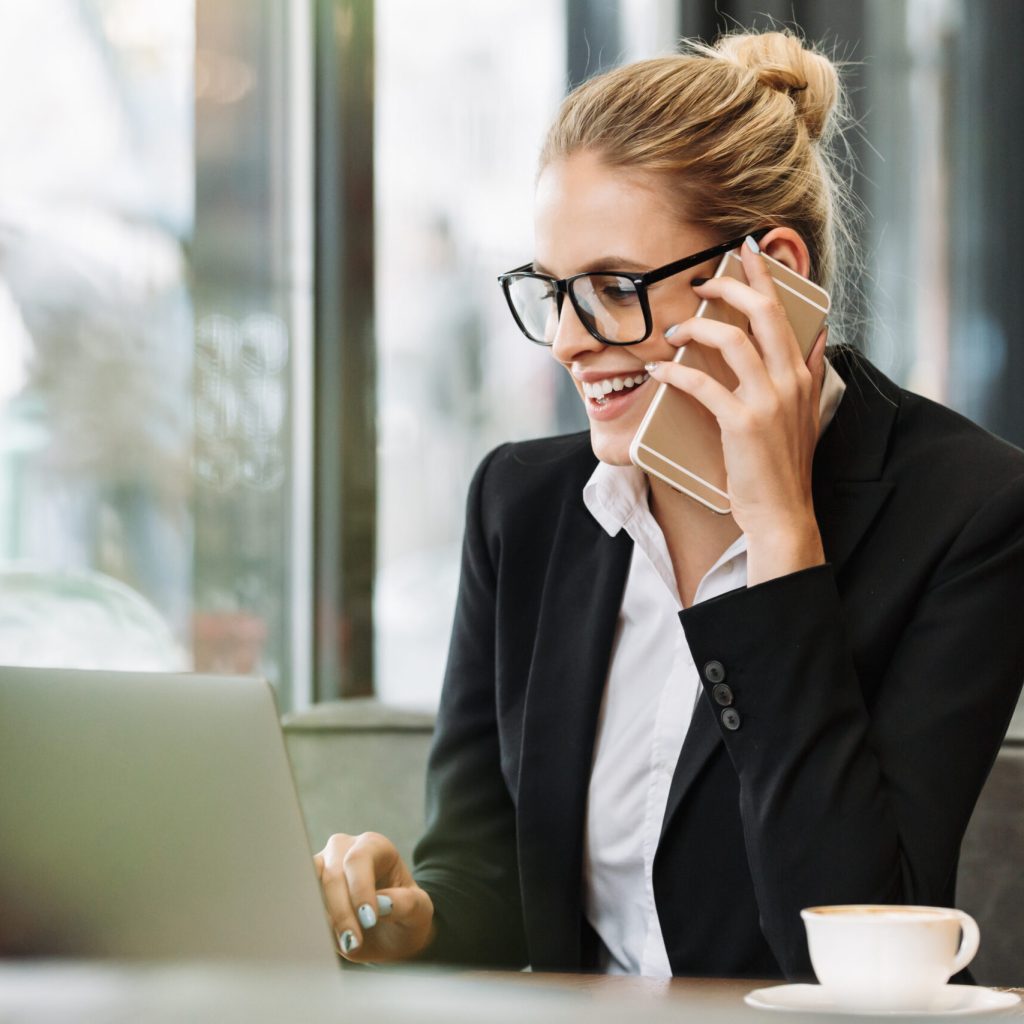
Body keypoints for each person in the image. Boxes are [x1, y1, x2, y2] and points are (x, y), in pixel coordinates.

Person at [315, 29, 1024, 978]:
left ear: (769, 272)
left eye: (613, 288)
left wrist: (779, 536)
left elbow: (858, 955)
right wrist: (415, 917)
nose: (569, 341)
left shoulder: (970, 514)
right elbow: (489, 872)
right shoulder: (523, 505)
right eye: (553, 292)